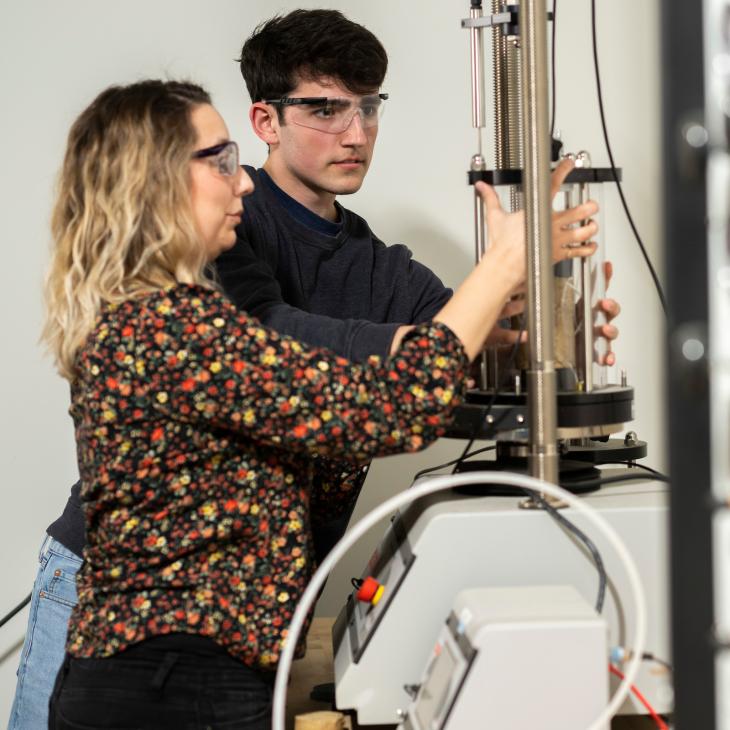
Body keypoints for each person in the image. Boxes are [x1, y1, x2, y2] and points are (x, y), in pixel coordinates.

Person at [8, 11, 607, 730]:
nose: (354, 133)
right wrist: (497, 269)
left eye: (367, 108)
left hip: (228, 641)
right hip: (155, 648)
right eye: (325, 109)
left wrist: (557, 322)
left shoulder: (370, 266)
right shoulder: (180, 313)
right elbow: (326, 367)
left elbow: (464, 353)